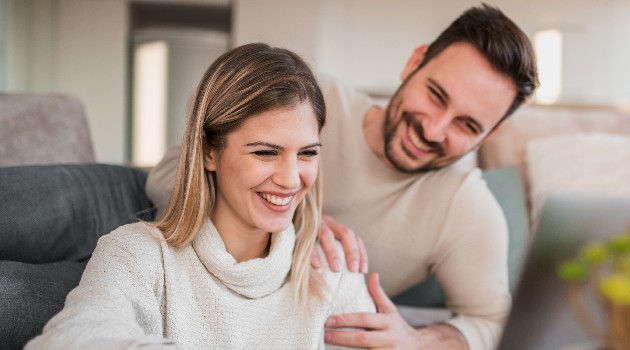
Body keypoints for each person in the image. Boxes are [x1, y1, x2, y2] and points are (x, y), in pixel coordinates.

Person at [146, 4, 537, 349]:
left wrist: (419, 341)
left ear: (490, 133)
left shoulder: (465, 206)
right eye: (436, 95)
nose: (434, 130)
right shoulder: (312, 101)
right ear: (414, 62)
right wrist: (296, 222)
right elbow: (162, 179)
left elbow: (494, 323)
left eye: (467, 125)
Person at [26, 43, 375, 349]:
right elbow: (70, 338)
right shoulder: (137, 255)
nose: (290, 179)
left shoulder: (333, 273)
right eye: (265, 153)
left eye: (308, 153)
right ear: (209, 152)